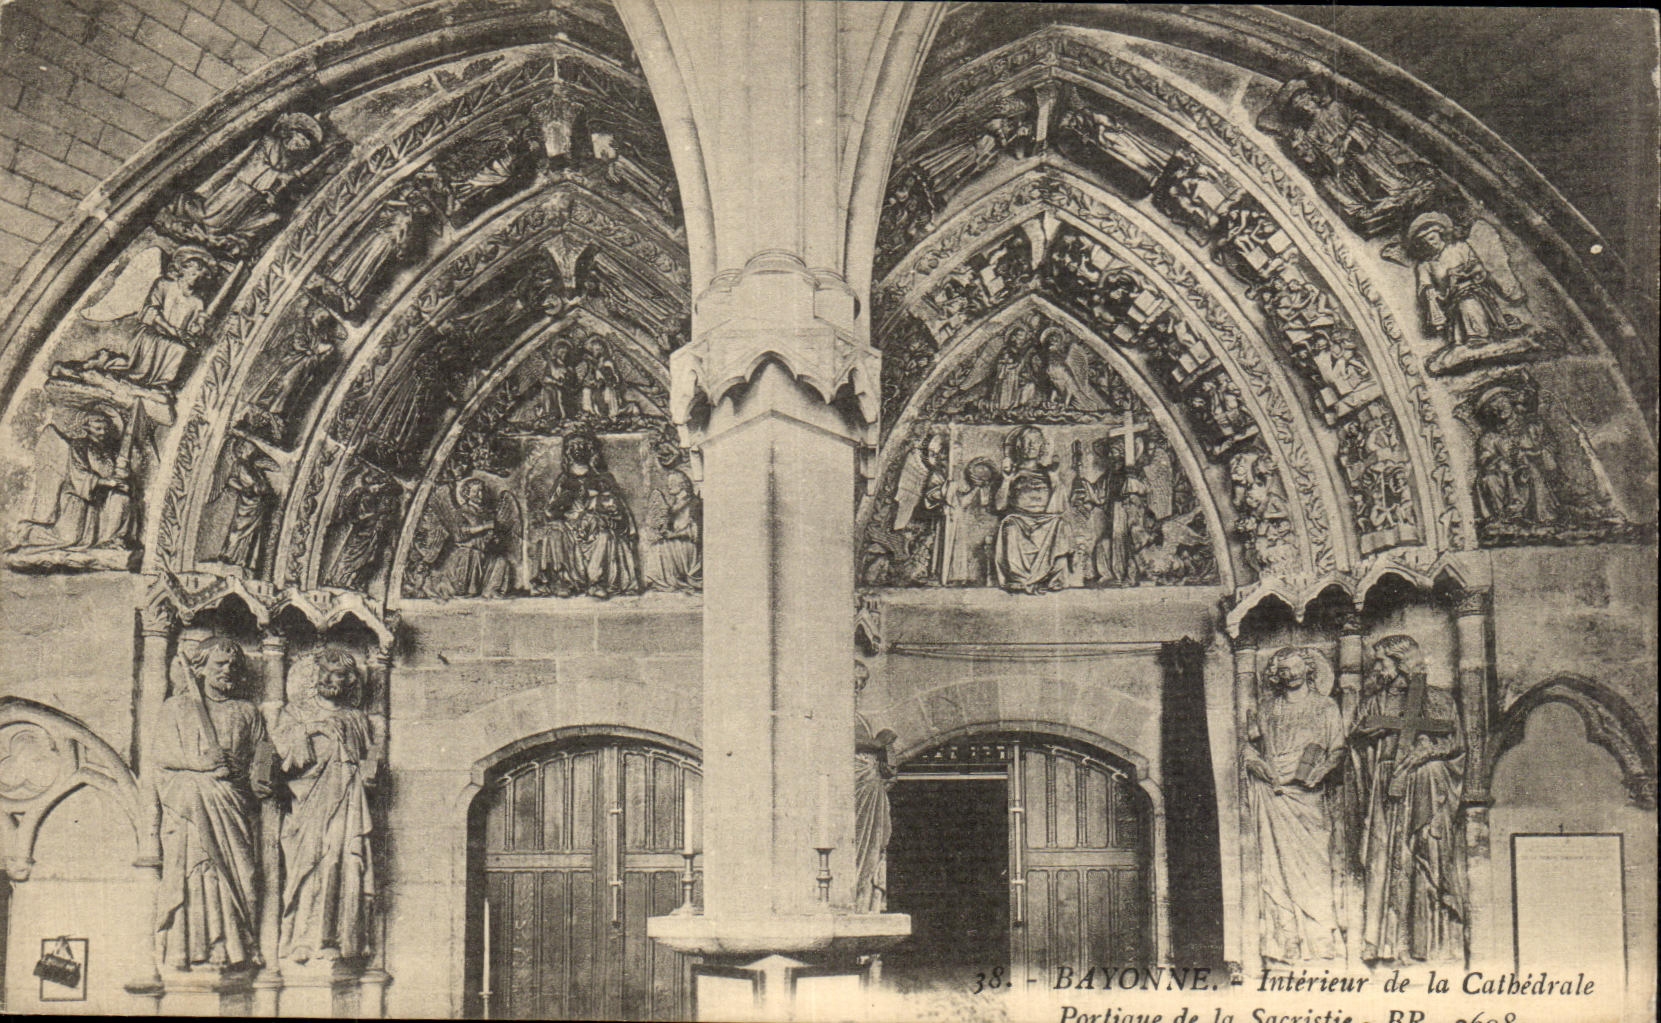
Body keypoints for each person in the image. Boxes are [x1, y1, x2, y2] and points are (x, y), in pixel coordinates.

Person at [153, 638, 272, 969]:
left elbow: (264, 755)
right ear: (200, 668)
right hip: (193, 806)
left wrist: (255, 772)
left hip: (234, 803)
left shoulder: (247, 712)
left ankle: (240, 943)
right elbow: (161, 756)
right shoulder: (177, 707)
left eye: (233, 665)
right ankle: (198, 949)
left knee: (242, 875)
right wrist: (200, 764)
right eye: (219, 664)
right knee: (201, 871)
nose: (227, 670)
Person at [1352, 635, 1466, 964]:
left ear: (1400, 662)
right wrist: (1364, 737)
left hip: (1427, 793)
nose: (1376, 668)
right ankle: (1386, 942)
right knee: (1383, 862)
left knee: (1423, 857)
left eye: (1382, 662)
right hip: (1385, 790)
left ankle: (1427, 945)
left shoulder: (1437, 699)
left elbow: (1456, 744)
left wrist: (1427, 754)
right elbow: (1358, 739)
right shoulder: (1374, 702)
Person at [274, 648, 382, 965]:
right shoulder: (295, 714)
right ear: (316, 675)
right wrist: (312, 729)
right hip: (307, 802)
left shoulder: (356, 718)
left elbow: (367, 760)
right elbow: (282, 758)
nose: (331, 680)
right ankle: (301, 939)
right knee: (309, 864)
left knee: (342, 861)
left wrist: (369, 769)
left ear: (349, 683)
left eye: (340, 676)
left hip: (348, 802)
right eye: (326, 673)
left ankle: (338, 939)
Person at [1244, 647, 1347, 963]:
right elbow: (1249, 748)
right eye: (1282, 670)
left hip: (1307, 795)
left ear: (1309, 669)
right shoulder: (1268, 709)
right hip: (1273, 793)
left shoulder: (1324, 706)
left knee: (1314, 866)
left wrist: (1316, 776)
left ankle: (1320, 937)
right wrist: (1257, 764)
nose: (1288, 674)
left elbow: (1337, 749)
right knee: (1274, 865)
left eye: (1293, 668)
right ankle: (1286, 938)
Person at [7, 410, 132, 555]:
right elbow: (79, 474)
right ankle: (28, 533)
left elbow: (115, 471)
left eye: (105, 428)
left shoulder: (110, 449)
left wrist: (122, 478)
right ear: (87, 428)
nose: (103, 432)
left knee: (123, 499)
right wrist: (105, 482)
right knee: (69, 538)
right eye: (98, 428)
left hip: (102, 497)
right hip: (79, 496)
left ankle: (112, 540)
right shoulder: (79, 445)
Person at [992, 426, 1073, 593]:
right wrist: (1006, 481)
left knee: (1060, 525)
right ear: (1019, 446)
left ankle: (1055, 577)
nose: (1031, 446)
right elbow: (999, 506)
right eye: (1027, 442)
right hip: (1019, 519)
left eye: (1035, 442)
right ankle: (1018, 578)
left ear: (1041, 447)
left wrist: (1054, 477)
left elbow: (1060, 507)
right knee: (1010, 525)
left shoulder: (1049, 473)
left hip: (1047, 520)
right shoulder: (1012, 473)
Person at [123, 246, 213, 390]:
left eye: (200, 276)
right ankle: (138, 373)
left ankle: (162, 382)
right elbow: (151, 309)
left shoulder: (197, 301)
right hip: (154, 332)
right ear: (182, 271)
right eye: (193, 273)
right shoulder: (164, 285)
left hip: (175, 338)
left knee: (181, 350)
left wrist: (197, 328)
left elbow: (197, 324)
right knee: (153, 346)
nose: (196, 278)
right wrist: (169, 328)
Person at [852, 663, 897, 913]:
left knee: (875, 839)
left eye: (862, 683)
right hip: (858, 787)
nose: (858, 688)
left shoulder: (861, 718)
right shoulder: (837, 713)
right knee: (859, 841)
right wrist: (877, 743)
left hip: (871, 785)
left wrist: (883, 755)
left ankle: (865, 896)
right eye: (854, 682)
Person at [644, 447, 702, 593]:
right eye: (669, 483)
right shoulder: (673, 504)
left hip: (687, 543)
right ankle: (662, 581)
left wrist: (674, 535)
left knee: (661, 548)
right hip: (675, 540)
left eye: (672, 483)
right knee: (657, 547)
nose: (669, 485)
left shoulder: (693, 503)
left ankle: (671, 581)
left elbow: (694, 532)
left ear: (682, 484)